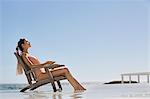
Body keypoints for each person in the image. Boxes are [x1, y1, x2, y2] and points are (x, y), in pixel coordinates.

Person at [16, 38, 86, 91]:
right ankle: (78, 88)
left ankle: (79, 88)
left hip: (44, 73)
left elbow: (39, 67)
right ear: (23, 45)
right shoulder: (24, 55)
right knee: (65, 70)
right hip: (41, 76)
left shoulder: (28, 55)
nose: (29, 42)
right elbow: (31, 66)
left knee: (65, 70)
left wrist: (50, 66)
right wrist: (46, 63)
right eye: (27, 42)